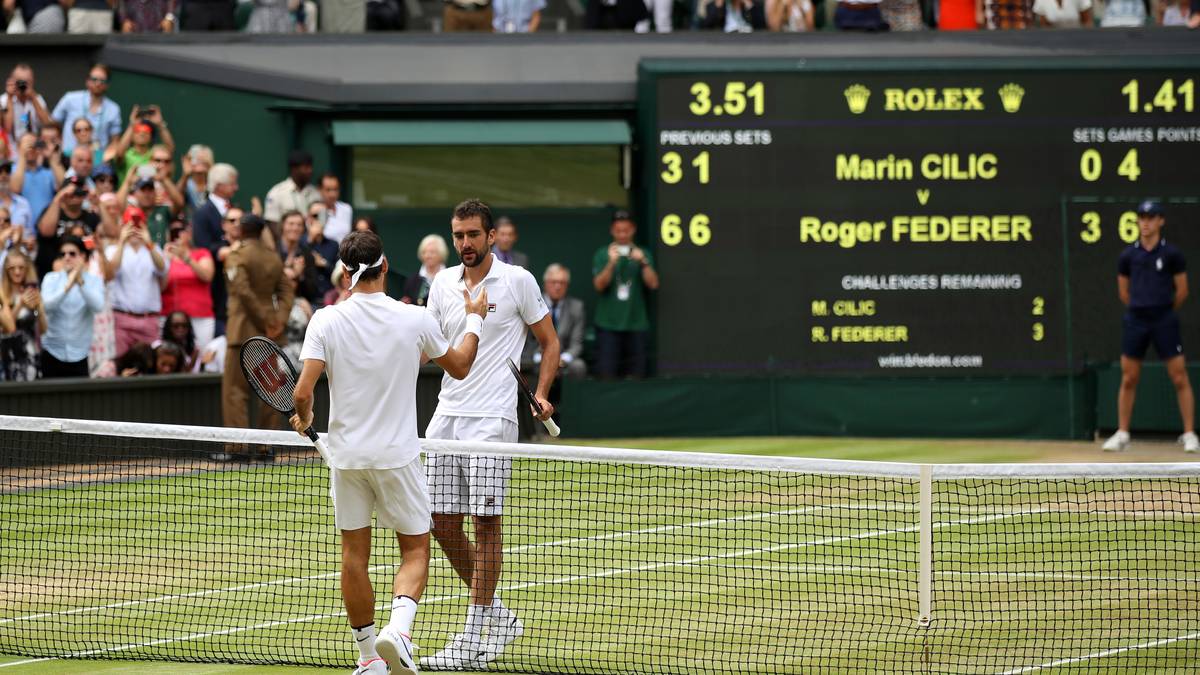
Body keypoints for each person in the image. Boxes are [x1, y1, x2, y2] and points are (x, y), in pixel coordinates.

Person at [290, 229, 488, 675]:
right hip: (397, 457)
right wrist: (475, 319)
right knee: (416, 551)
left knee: (353, 557)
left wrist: (305, 417)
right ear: (384, 267)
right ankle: (399, 631)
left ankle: (367, 659)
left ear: (345, 274)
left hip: (347, 460)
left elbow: (303, 392)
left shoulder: (325, 320)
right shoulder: (413, 318)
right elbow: (459, 367)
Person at [422, 199, 560, 670]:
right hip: (446, 415)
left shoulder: (518, 281)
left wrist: (540, 391)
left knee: (486, 524)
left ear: (492, 236)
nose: (464, 244)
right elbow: (431, 346)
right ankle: (498, 615)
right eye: (458, 235)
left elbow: (549, 341)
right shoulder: (441, 284)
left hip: (493, 418)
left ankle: (474, 635)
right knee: (439, 523)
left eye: (472, 235)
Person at [1103, 201, 1198, 453]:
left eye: (1151, 217)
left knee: (1179, 376)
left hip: (1164, 319)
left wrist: (1161, 309)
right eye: (1142, 217)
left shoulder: (1172, 255)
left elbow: (1183, 290)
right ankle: (1122, 433)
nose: (1145, 222)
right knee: (1129, 377)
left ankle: (1189, 434)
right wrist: (1141, 307)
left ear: (1160, 221)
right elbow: (1124, 292)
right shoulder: (1127, 256)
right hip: (1136, 320)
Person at [222, 214, 293, 451]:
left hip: (242, 332)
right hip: (269, 335)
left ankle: (237, 449)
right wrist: (277, 321)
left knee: (235, 393)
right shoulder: (273, 257)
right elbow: (287, 291)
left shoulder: (236, 255)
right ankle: (267, 447)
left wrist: (266, 321)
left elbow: (242, 291)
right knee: (271, 392)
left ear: (242, 231)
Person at [591, 211, 658, 379]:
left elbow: (654, 283)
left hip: (636, 324)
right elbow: (599, 286)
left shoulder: (643, 254)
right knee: (606, 375)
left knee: (636, 375)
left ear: (633, 230)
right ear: (612, 231)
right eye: (618, 230)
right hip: (608, 325)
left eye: (626, 230)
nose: (622, 235)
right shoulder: (602, 254)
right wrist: (611, 263)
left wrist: (643, 262)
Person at [40, 236, 104, 378]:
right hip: (52, 352)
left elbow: (98, 306)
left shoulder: (94, 281)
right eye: (63, 254)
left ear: (82, 256)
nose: (67, 257)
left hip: (80, 355)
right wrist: (67, 287)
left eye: (72, 253)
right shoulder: (50, 278)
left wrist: (80, 283)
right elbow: (46, 307)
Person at [107, 208, 167, 357]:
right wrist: (121, 241)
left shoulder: (154, 249)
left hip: (148, 320)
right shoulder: (113, 249)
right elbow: (111, 271)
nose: (134, 230)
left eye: (138, 225)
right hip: (122, 319)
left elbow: (162, 268)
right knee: (121, 364)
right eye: (130, 225)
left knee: (151, 364)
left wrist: (149, 243)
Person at [192, 163, 238, 336]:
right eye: (232, 184)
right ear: (219, 185)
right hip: (216, 284)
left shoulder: (234, 208)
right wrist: (222, 251)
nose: (236, 187)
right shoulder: (203, 213)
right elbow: (202, 245)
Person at [160, 221, 215, 347]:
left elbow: (207, 276)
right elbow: (161, 287)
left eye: (181, 231)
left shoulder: (201, 253)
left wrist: (187, 259)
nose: (177, 235)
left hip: (199, 315)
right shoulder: (164, 257)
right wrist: (166, 261)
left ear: (189, 234)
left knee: (202, 355)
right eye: (173, 232)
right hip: (170, 317)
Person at [35, 176, 99, 280]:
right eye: (70, 190)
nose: (73, 194)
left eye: (78, 190)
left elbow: (97, 244)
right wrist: (58, 198)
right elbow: (45, 232)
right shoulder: (52, 210)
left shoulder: (91, 217)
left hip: (83, 276)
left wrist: (98, 202)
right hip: (51, 277)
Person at [51, 65, 122, 155]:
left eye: (102, 80)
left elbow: (115, 142)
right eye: (94, 79)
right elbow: (52, 124)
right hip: (68, 156)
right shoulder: (70, 98)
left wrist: (103, 159)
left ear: (107, 85)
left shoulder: (114, 109)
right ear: (87, 81)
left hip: (96, 161)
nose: (98, 83)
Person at [0, 249, 45, 381]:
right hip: (7, 355)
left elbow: (42, 329)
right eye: (12, 268)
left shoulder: (32, 291)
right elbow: (6, 329)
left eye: (21, 268)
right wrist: (20, 305)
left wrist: (38, 309)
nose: (17, 272)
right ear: (6, 271)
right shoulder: (2, 296)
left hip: (31, 355)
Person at [264, 149, 319, 232]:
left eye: (310, 167)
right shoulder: (277, 193)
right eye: (306, 168)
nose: (310, 171)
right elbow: (272, 223)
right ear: (294, 169)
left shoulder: (316, 193)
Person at [2, 64, 52, 146]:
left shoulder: (37, 99)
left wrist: (33, 98)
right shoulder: (3, 101)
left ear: (32, 82)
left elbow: (48, 125)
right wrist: (10, 98)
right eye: (19, 81)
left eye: (26, 82)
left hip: (33, 147)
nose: (22, 85)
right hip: (10, 149)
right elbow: (7, 129)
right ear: (12, 80)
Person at [303, 203, 338, 303]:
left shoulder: (334, 245)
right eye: (315, 216)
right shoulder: (300, 242)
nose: (319, 220)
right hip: (307, 302)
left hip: (330, 301)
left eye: (323, 215)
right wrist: (310, 240)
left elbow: (339, 274)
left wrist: (324, 264)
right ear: (308, 218)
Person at [400, 234, 447, 307]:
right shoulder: (412, 280)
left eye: (432, 252)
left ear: (441, 254)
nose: (428, 256)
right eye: (424, 252)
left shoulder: (450, 278)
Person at [316, 173, 352, 243]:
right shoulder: (315, 211)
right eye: (328, 190)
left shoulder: (347, 209)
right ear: (319, 190)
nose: (332, 194)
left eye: (335, 189)